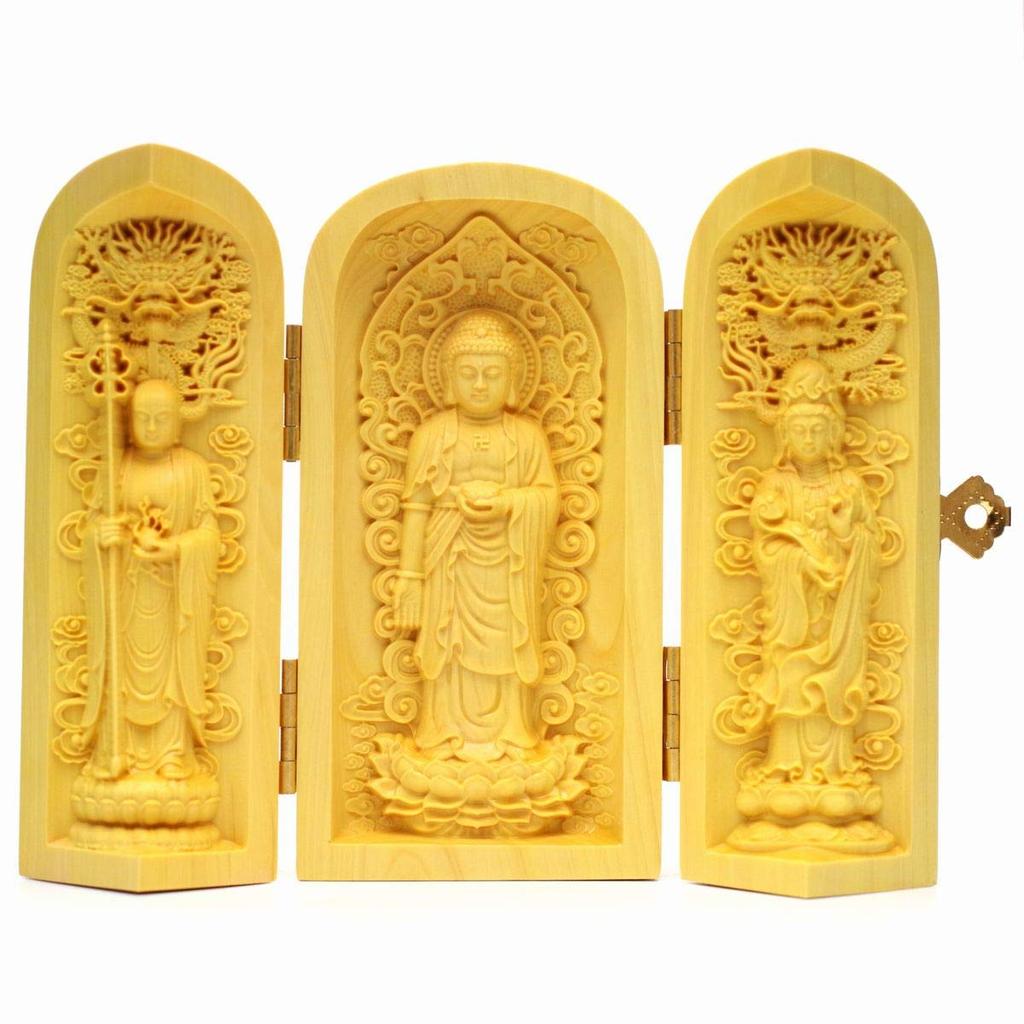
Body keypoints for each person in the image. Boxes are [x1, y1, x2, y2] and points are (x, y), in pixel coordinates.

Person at [391, 310, 559, 761]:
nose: (480, 385)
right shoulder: (432, 434)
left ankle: (512, 733)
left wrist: (509, 503)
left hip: (509, 561)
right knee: (446, 641)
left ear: (512, 380)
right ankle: (443, 732)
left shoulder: (527, 437)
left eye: (492, 374)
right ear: (449, 379)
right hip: (448, 558)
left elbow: (547, 497)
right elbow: (416, 507)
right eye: (468, 374)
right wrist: (409, 579)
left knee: (509, 638)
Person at [747, 358, 881, 785]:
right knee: (792, 675)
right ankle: (785, 765)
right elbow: (767, 546)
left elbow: (870, 544)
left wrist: (845, 534)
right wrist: (801, 562)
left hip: (835, 614)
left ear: (833, 434)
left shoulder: (849, 486)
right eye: (800, 430)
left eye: (817, 430)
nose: (808, 439)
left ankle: (835, 767)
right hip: (795, 613)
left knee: (832, 684)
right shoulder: (777, 486)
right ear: (785, 435)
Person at [80, 378, 220, 781]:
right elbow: (91, 526)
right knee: (121, 672)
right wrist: (101, 536)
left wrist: (176, 549)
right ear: (129, 421)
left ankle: (173, 752)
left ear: (178, 423)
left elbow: (210, 534)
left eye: (162, 418)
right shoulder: (116, 468)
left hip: (173, 596)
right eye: (143, 418)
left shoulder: (192, 469)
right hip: (125, 592)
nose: (152, 426)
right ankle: (117, 750)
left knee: (172, 672)